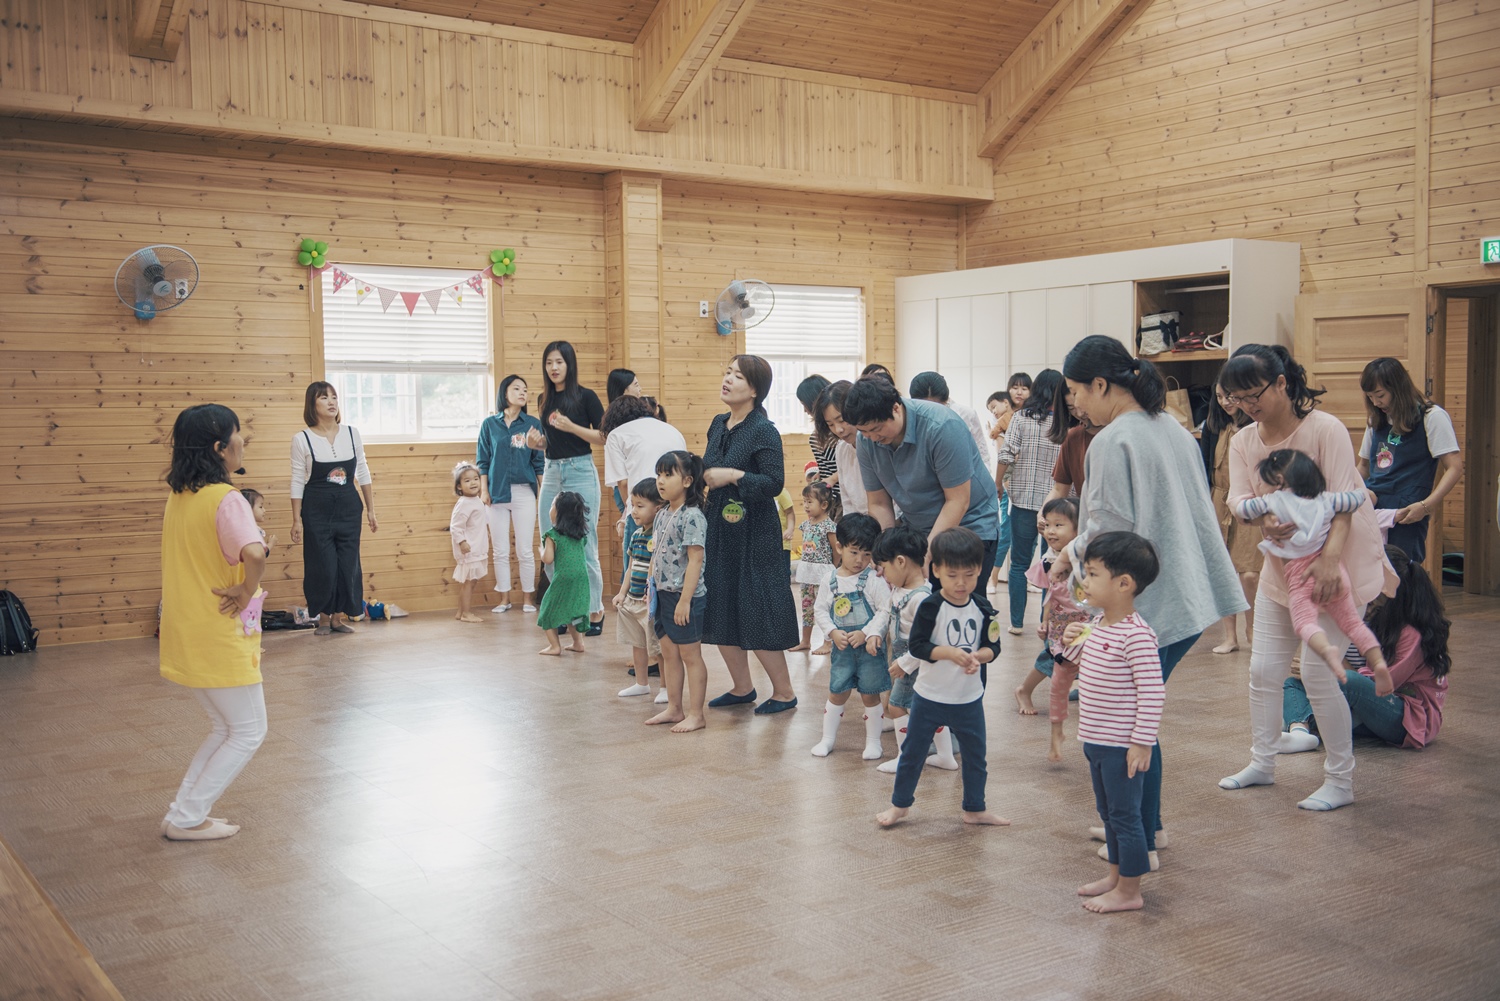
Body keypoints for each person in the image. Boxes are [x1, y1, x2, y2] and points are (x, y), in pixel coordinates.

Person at [1052, 335, 1245, 856]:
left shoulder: (1114, 440)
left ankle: (1137, 842)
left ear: (1101, 384)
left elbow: (1109, 529)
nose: (1075, 403)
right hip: (1185, 589)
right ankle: (1145, 826)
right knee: (1136, 717)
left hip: (1147, 599)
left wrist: (1071, 558)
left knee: (1127, 724)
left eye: (1077, 391)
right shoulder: (1172, 428)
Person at [1216, 343, 1390, 812]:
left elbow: (1345, 501)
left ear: (1281, 383)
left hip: (1337, 572)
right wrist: (1263, 519)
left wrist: (1330, 561)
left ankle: (1340, 780)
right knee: (1262, 671)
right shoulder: (1244, 440)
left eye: (1254, 394)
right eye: (1237, 398)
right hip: (1286, 574)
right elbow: (1239, 499)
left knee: (1317, 673)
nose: (1247, 405)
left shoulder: (1325, 429)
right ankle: (1262, 762)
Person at [159, 404, 267, 841]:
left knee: (227, 728)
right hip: (219, 633)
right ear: (221, 448)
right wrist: (246, 589)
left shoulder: (180, 496)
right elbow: (254, 553)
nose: (244, 442)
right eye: (239, 435)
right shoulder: (227, 498)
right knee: (248, 731)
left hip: (188, 630)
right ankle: (187, 819)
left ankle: (183, 813)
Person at [875, 528, 1007, 829]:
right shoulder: (930, 606)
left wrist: (979, 657)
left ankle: (975, 809)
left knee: (975, 757)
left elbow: (994, 646)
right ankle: (899, 806)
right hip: (929, 697)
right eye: (952, 575)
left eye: (969, 575)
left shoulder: (983, 607)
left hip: (968, 699)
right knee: (912, 753)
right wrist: (949, 653)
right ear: (935, 571)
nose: (961, 583)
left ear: (980, 571)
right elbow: (919, 646)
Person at [1065, 532, 1166, 914]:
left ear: (1124, 584)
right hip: (1096, 740)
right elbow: (1080, 661)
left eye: (1092, 574)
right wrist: (1070, 638)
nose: (1085, 582)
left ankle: (1130, 891)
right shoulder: (1099, 623)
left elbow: (1153, 692)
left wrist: (1142, 742)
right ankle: (1115, 877)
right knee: (1108, 813)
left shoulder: (1138, 636)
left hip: (1121, 745)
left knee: (1126, 817)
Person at [1232, 449, 1392, 686]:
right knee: (1353, 624)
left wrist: (1263, 513)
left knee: (1304, 623)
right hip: (1333, 571)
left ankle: (1326, 650)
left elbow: (1241, 509)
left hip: (1300, 576)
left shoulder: (1273, 501)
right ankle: (1378, 662)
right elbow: (1357, 499)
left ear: (1279, 480)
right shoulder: (1326, 500)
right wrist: (1358, 489)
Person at [701, 356, 800, 715]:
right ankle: (742, 688)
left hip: (755, 531)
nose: (727, 379)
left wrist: (734, 476)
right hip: (718, 526)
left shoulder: (764, 430)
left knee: (758, 606)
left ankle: (785, 692)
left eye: (738, 376)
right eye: (727, 372)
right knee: (721, 603)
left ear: (755, 389)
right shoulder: (718, 423)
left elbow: (774, 483)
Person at [1280, 545, 1449, 753]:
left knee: (1348, 682)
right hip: (1369, 710)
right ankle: (1300, 731)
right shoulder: (1374, 617)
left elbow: (1376, 685)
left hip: (1407, 719)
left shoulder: (1411, 634)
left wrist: (1329, 666)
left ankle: (1313, 722)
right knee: (1294, 684)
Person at [839, 376, 1000, 589]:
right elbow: (878, 503)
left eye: (877, 429)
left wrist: (928, 553)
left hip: (969, 525)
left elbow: (957, 501)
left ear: (896, 408)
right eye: (864, 431)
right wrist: (886, 550)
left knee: (959, 600)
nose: (872, 438)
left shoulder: (942, 427)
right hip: (918, 527)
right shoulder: (866, 441)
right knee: (918, 602)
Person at [526, 341, 606, 635]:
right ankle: (562, 610)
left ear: (569, 364)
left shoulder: (586, 396)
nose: (554, 368)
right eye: (549, 363)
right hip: (552, 471)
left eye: (559, 361)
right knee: (550, 540)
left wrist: (572, 426)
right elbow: (552, 442)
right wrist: (537, 444)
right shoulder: (543, 399)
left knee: (586, 541)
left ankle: (594, 611)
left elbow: (604, 436)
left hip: (580, 470)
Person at [289, 382, 377, 635]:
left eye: (334, 397)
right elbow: (297, 480)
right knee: (323, 565)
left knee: (348, 564)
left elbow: (362, 471)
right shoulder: (302, 439)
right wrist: (296, 519)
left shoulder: (352, 433)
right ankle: (324, 619)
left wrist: (370, 509)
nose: (331, 402)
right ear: (312, 404)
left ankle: (338, 618)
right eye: (324, 398)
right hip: (316, 509)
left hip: (348, 507)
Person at [1357, 357, 1463, 563]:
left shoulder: (1432, 416)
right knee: (1368, 572)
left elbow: (1455, 467)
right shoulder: (1375, 419)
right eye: (1370, 397)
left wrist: (1426, 506)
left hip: (1407, 510)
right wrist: (1348, 494)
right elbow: (1363, 467)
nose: (1376, 403)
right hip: (1372, 506)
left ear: (1398, 388)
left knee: (1402, 572)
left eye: (1380, 395)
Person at [872, 526, 953, 774]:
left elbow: (930, 640)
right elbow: (885, 612)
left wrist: (905, 664)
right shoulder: (899, 591)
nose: (883, 575)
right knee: (930, 710)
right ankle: (945, 756)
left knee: (896, 706)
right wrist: (874, 632)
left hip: (915, 663)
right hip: (908, 661)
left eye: (884, 568)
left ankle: (905, 757)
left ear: (900, 561)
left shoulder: (921, 599)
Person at [810, 514, 891, 759]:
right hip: (842, 651)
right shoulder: (830, 580)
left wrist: (867, 632)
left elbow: (885, 609)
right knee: (837, 692)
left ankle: (874, 743)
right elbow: (820, 610)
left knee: (870, 695)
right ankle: (827, 740)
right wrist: (832, 632)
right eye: (854, 552)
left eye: (867, 554)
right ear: (839, 547)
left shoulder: (874, 580)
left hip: (870, 652)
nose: (860, 560)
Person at [1026, 499, 1098, 762]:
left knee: (1092, 682)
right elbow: (1051, 595)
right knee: (1058, 682)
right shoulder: (1048, 560)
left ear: (1079, 529)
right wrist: (1044, 622)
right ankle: (1056, 731)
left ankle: (1095, 732)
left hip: (1088, 629)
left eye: (1059, 525)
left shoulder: (1088, 561)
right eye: (1047, 525)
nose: (1051, 531)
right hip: (1061, 632)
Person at [995, 369, 1065, 633]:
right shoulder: (1065, 423)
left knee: (1019, 563)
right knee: (1053, 562)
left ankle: (1016, 623)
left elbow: (1006, 454)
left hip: (1023, 501)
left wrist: (998, 483)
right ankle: (1046, 622)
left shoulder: (1021, 417)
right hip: (1058, 506)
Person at [647, 450, 711, 733]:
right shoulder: (662, 513)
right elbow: (657, 552)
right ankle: (674, 708)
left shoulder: (693, 516)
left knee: (690, 656)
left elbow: (695, 560)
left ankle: (697, 714)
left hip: (684, 597)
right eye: (658, 474)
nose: (660, 481)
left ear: (687, 481)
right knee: (669, 653)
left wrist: (685, 601)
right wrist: (650, 587)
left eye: (667, 475)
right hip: (662, 594)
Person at [477, 375, 546, 613]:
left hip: (524, 492)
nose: (522, 393)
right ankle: (504, 599)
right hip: (495, 494)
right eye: (516, 389)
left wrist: (544, 493)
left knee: (525, 549)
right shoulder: (489, 425)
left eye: (525, 389)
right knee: (500, 550)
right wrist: (484, 490)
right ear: (504, 393)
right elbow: (483, 460)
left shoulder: (533, 424)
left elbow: (539, 462)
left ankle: (527, 599)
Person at [602, 393, 686, 578]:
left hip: (644, 510)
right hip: (676, 509)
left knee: (635, 573)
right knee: (671, 572)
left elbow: (623, 483)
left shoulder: (617, 435)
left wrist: (631, 510)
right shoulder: (672, 430)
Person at [1202, 385, 1260, 653]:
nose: (1225, 402)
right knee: (1222, 570)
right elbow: (1204, 468)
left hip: (1248, 501)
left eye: (1229, 396)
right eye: (1219, 397)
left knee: (1249, 573)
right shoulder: (1213, 426)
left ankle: (1252, 629)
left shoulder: (1256, 427)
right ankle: (1229, 636)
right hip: (1218, 499)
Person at [614, 478, 666, 700]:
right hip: (633, 599)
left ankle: (665, 688)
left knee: (658, 647)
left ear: (658, 508)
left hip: (650, 603)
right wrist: (622, 593)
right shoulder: (636, 535)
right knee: (638, 644)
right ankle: (641, 683)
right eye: (632, 505)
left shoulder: (659, 535)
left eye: (640, 506)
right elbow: (631, 567)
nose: (634, 511)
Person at [987, 373, 1031, 587]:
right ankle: (993, 577)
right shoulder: (1006, 420)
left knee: (1030, 536)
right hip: (1008, 483)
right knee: (1006, 530)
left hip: (1027, 482)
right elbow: (1003, 454)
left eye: (1024, 388)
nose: (1019, 392)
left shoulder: (1027, 415)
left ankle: (1028, 578)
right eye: (1015, 387)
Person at [537, 491, 591, 656]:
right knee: (572, 611)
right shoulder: (579, 535)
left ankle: (554, 646)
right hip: (581, 578)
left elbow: (548, 559)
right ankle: (578, 643)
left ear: (558, 512)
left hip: (563, 578)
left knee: (547, 610)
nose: (550, 508)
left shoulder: (552, 535)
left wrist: (541, 551)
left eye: (552, 505)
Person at [910, 371, 991, 469]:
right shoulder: (910, 420)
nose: (931, 412)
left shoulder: (966, 414)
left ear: (946, 400)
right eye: (925, 407)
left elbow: (982, 454)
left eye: (936, 406)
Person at [793, 481, 837, 653]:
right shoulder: (806, 524)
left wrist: (832, 567)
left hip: (822, 574)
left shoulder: (829, 526)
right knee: (807, 607)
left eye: (810, 502)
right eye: (804, 501)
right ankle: (805, 641)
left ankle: (828, 642)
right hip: (807, 574)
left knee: (825, 607)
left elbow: (836, 550)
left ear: (824, 505)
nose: (805, 506)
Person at [814, 380, 868, 516]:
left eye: (842, 420)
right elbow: (847, 499)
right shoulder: (842, 449)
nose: (838, 429)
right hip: (858, 522)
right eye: (830, 424)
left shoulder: (875, 443)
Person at [449, 462, 489, 624]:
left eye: (475, 479)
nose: (473, 483)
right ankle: (466, 613)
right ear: (459, 486)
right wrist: (462, 542)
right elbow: (455, 526)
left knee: (471, 582)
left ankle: (460, 612)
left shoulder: (476, 500)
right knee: (468, 583)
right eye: (467, 480)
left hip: (477, 547)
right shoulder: (464, 503)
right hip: (469, 549)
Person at [797, 374, 841, 506]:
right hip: (829, 498)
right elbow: (828, 466)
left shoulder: (841, 433)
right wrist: (821, 473)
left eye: (804, 404)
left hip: (845, 495)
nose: (805, 411)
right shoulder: (814, 438)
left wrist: (833, 478)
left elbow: (852, 465)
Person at [238, 488, 277, 554]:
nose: (264, 510)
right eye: (260, 507)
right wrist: (271, 544)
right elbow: (260, 554)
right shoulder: (251, 531)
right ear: (248, 508)